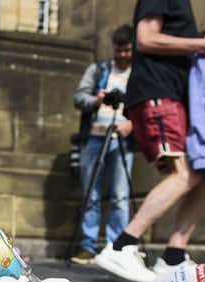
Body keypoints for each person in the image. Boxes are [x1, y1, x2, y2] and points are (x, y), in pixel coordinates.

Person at [94, 0, 205, 282]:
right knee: (184, 174)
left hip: (175, 96)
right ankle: (122, 245)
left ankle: (174, 257)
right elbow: (146, 38)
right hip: (159, 93)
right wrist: (202, 45)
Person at [71, 25, 135, 265]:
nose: (123, 55)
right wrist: (96, 100)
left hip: (123, 140)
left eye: (127, 50)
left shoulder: (139, 75)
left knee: (120, 196)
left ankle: (115, 249)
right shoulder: (98, 70)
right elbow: (79, 98)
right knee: (91, 195)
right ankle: (88, 246)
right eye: (119, 50)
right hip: (94, 138)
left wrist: (132, 124)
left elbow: (145, 107)